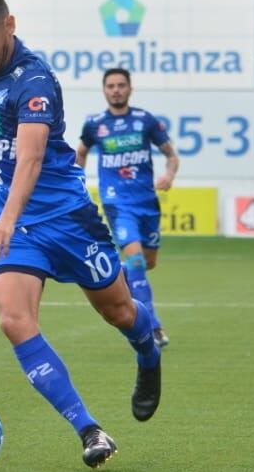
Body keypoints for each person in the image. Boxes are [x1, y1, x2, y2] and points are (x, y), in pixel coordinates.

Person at [0, 0, 161, 469]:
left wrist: (5, 219)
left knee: (119, 312)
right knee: (12, 319)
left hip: (67, 221)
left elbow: (31, 157)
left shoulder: (36, 80)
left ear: (9, 25)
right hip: (16, 231)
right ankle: (89, 429)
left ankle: (148, 352)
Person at [75, 68, 179, 349]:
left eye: (121, 85)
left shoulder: (145, 121)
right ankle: (153, 328)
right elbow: (81, 152)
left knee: (146, 263)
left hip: (147, 202)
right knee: (136, 261)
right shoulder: (95, 124)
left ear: (130, 88)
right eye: (111, 86)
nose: (116, 90)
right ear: (104, 90)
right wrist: (76, 183)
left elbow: (171, 156)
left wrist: (169, 176)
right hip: (117, 203)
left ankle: (120, 271)